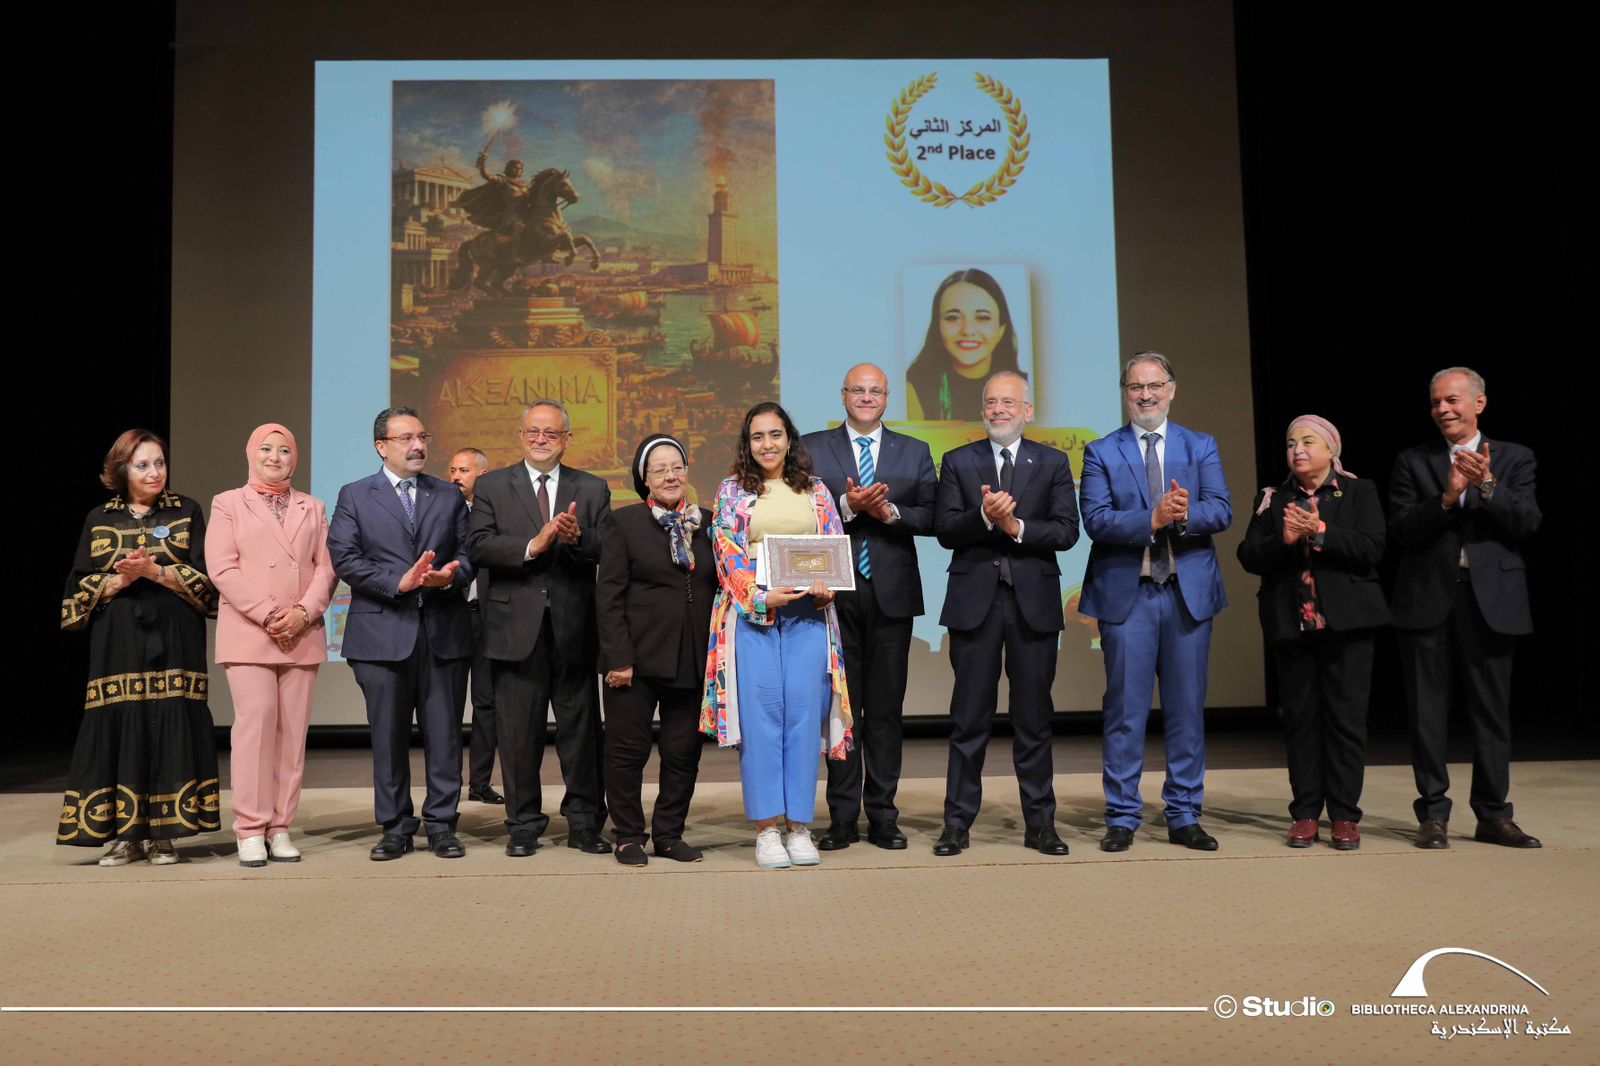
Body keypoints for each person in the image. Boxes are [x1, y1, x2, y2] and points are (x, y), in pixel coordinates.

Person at [1080, 352, 1231, 853]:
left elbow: (1221, 509)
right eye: (1136, 387)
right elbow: (1096, 520)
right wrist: (1153, 518)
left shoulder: (1201, 445)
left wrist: (1184, 516)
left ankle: (1184, 814)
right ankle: (1122, 816)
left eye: (1155, 386)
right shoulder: (1101, 450)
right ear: (1125, 393)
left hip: (1187, 595)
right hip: (1130, 596)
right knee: (1125, 711)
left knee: (1186, 710)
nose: (1146, 395)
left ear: (1172, 389)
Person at [1389, 367, 1542, 849]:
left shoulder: (1514, 457)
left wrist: (1488, 484)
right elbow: (1401, 530)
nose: (1443, 410)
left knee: (1491, 712)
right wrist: (1449, 497)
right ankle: (1433, 814)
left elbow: (1526, 522)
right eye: (1436, 402)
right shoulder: (1414, 461)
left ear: (1479, 403)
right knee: (1427, 712)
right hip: (1428, 596)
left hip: (1491, 599)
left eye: (1452, 400)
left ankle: (1493, 814)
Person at [931, 371, 1080, 858]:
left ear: (1028, 411)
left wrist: (1014, 526)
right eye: (991, 402)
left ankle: (1041, 825)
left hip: (1033, 605)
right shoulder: (958, 461)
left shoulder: (1053, 462)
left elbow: (1067, 531)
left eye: (1009, 402)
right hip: (974, 605)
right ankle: (956, 825)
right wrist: (983, 517)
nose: (999, 410)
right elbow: (945, 529)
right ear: (983, 410)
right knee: (968, 720)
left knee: (1034, 720)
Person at [700, 402, 853, 869]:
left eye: (775, 435)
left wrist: (827, 588)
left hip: (809, 617)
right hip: (754, 617)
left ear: (790, 439)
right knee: (762, 720)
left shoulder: (817, 490)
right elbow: (726, 552)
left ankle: (800, 826)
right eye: (758, 437)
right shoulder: (731, 491)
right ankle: (767, 828)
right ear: (747, 445)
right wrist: (762, 597)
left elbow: (832, 547)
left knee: (805, 719)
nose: (767, 444)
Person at [58, 429, 221, 866]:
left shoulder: (187, 510)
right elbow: (75, 594)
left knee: (172, 719)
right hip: (118, 640)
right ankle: (126, 836)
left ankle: (165, 835)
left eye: (159, 463)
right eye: (143, 465)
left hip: (176, 637)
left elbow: (210, 587)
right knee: (123, 721)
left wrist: (157, 572)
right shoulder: (99, 518)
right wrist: (121, 579)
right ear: (122, 470)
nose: (154, 472)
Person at [465, 399, 612, 858]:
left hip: (574, 628)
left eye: (551, 433)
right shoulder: (492, 485)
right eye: (533, 432)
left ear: (567, 439)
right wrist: (534, 544)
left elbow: (608, 547)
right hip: (514, 630)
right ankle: (524, 824)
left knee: (581, 734)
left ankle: (585, 823)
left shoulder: (591, 487)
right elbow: (478, 545)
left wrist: (578, 537)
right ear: (520, 436)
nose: (541, 440)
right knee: (517, 735)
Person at [327, 407, 476, 861]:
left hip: (442, 632)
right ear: (381, 447)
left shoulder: (447, 495)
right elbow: (345, 558)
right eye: (406, 438)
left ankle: (443, 825)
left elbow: (470, 553)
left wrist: (450, 577)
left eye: (422, 437)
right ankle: (395, 827)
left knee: (445, 735)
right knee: (388, 737)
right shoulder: (355, 495)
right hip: (380, 634)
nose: (418, 446)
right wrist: (399, 583)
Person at [801, 363, 937, 850]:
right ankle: (841, 818)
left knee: (884, 711)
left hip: (892, 595)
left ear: (887, 397)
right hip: (831, 595)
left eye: (874, 391)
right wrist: (847, 507)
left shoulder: (914, 450)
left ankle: (883, 815)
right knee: (841, 710)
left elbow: (934, 517)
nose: (865, 397)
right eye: (857, 390)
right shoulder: (812, 447)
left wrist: (889, 512)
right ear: (843, 395)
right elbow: (800, 514)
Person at [1237, 416, 1387, 850]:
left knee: (1345, 723)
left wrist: (1321, 531)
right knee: (1301, 723)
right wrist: (1284, 540)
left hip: (1348, 624)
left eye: (1307, 442)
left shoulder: (1358, 491)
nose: (1297, 450)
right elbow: (1248, 554)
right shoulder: (1273, 497)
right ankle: (1305, 813)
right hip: (1292, 624)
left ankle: (1345, 816)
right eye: (1291, 443)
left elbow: (1372, 547)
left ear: (1331, 450)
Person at [207, 423, 339, 867]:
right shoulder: (228, 503)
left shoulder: (313, 506)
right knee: (256, 726)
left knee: (292, 734)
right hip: (250, 630)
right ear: (252, 453)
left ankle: (280, 826)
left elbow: (327, 568)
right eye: (266, 449)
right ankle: (250, 828)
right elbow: (222, 568)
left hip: (301, 630)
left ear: (294, 457)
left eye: (284, 450)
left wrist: (303, 612)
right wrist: (268, 613)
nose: (274, 457)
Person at [594, 435, 716, 866]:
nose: (670, 476)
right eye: (659, 469)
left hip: (693, 657)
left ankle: (669, 834)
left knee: (683, 754)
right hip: (636, 660)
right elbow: (608, 596)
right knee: (627, 753)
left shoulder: (710, 522)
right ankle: (628, 835)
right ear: (644, 479)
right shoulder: (623, 522)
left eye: (677, 467)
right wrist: (618, 659)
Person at [448, 446, 503, 805]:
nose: (455, 477)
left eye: (463, 470)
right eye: (452, 470)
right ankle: (448, 784)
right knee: (448, 705)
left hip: (488, 616)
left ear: (482, 475)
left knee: (487, 703)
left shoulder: (498, 512)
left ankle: (480, 782)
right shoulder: (443, 512)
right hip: (451, 616)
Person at [905, 268, 1025, 421]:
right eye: (953, 318)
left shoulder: (1026, 389)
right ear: (938, 327)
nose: (967, 330)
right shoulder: (912, 389)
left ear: (1001, 329)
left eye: (982, 318)